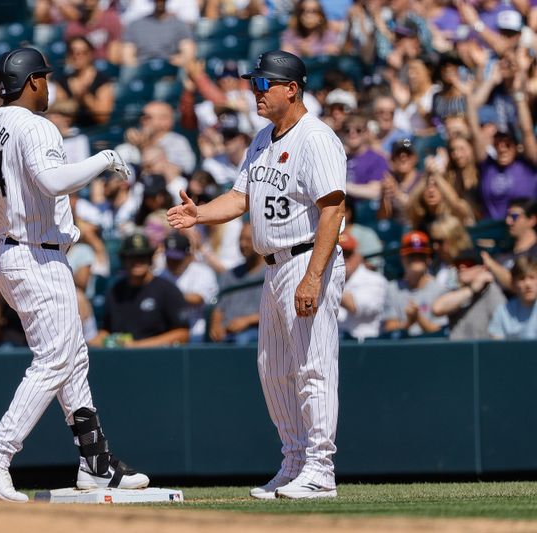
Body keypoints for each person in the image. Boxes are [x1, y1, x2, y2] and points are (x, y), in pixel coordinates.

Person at [0, 47, 149, 501]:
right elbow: (52, 183)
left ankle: (95, 463)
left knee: (72, 358)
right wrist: (106, 158)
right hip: (37, 255)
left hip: (14, 251)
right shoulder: (36, 125)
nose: (48, 86)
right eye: (45, 79)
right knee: (54, 359)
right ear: (32, 81)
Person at [168, 50, 346, 499]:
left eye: (264, 84)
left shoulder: (316, 138)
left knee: (313, 367)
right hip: (273, 268)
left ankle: (321, 468)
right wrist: (200, 215)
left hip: (307, 259)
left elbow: (333, 209)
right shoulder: (263, 138)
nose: (256, 92)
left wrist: (313, 276)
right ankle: (293, 461)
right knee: (273, 370)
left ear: (292, 88)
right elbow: (239, 198)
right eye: (254, 84)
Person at [90, 232, 190, 347]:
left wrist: (138, 345)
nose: (137, 262)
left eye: (142, 256)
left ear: (150, 259)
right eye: (132, 257)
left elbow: (183, 334)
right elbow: (106, 330)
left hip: (158, 359)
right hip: (121, 359)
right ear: (123, 260)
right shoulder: (115, 290)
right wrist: (95, 342)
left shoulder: (167, 290)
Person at [382, 231, 448, 337]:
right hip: (401, 348)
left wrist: (418, 317)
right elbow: (389, 328)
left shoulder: (440, 289)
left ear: (428, 259)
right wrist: (409, 323)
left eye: (421, 255)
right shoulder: (392, 288)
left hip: (431, 347)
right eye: (412, 255)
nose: (416, 259)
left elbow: (440, 332)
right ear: (402, 259)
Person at [432, 248, 507, 340]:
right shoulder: (455, 291)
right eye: (458, 265)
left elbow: (502, 330)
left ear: (483, 268)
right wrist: (471, 290)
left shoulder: (491, 291)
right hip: (457, 350)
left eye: (468, 264)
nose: (462, 268)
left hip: (482, 351)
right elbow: (437, 308)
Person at [208, 224, 264, 345]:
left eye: (248, 240)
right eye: (240, 239)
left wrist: (247, 321)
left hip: (255, 331)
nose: (243, 244)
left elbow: (277, 311)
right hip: (227, 332)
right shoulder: (229, 274)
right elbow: (219, 308)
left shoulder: (271, 273)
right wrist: (216, 326)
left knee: (242, 340)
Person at [158, 232, 218, 344]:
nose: (172, 263)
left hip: (198, 333)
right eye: (169, 258)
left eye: (177, 259)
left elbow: (197, 299)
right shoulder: (160, 275)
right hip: (168, 333)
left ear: (189, 256)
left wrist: (165, 296)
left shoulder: (203, 272)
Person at [337, 232, 387, 341]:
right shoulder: (328, 280)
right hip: (335, 343)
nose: (342, 259)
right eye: (338, 254)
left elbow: (354, 306)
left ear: (358, 256)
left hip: (365, 345)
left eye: (347, 254)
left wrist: (325, 286)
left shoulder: (374, 279)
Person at [488, 257, 537, 340]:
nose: (527, 284)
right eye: (522, 279)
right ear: (513, 284)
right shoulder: (503, 311)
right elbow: (496, 348)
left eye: (532, 278)